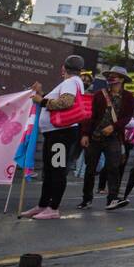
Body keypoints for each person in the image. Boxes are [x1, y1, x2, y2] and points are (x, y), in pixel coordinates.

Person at [21, 54, 87, 220]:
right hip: (55, 134)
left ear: (64, 68)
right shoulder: (73, 82)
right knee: (50, 171)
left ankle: (53, 207)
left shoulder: (71, 82)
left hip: (61, 134)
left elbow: (66, 102)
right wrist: (42, 94)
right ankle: (43, 205)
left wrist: (41, 101)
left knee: (57, 171)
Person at [79, 66, 134, 210]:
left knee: (113, 168)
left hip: (114, 137)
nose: (111, 78)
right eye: (110, 75)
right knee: (90, 169)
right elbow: (90, 116)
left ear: (122, 79)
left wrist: (114, 127)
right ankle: (86, 199)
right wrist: (85, 134)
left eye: (115, 76)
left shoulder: (128, 97)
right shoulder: (99, 95)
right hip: (95, 137)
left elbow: (127, 117)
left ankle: (112, 199)